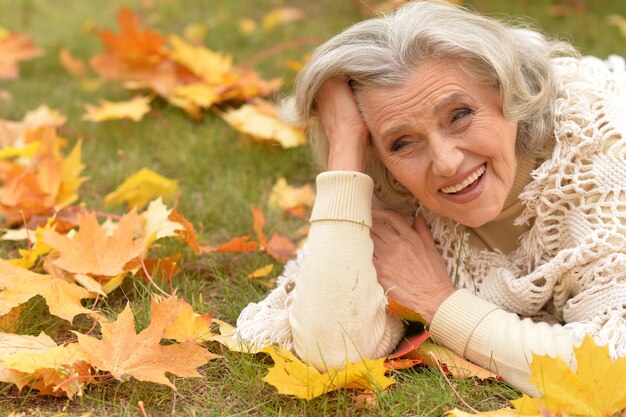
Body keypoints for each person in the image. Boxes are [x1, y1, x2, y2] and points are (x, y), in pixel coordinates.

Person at [235, 0, 626, 396]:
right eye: (402, 142)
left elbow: (611, 372)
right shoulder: (395, 189)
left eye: (459, 115)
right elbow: (331, 346)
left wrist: (439, 303)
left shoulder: (601, 155)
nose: (446, 162)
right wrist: (346, 147)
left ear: (508, 91)